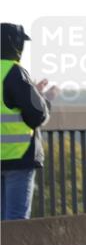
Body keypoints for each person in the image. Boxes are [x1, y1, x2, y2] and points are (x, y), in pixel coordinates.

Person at [1, 23, 57, 220]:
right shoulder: (14, 72)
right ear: (15, 45)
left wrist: (34, 92)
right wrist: (45, 99)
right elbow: (37, 115)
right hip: (18, 156)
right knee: (16, 222)